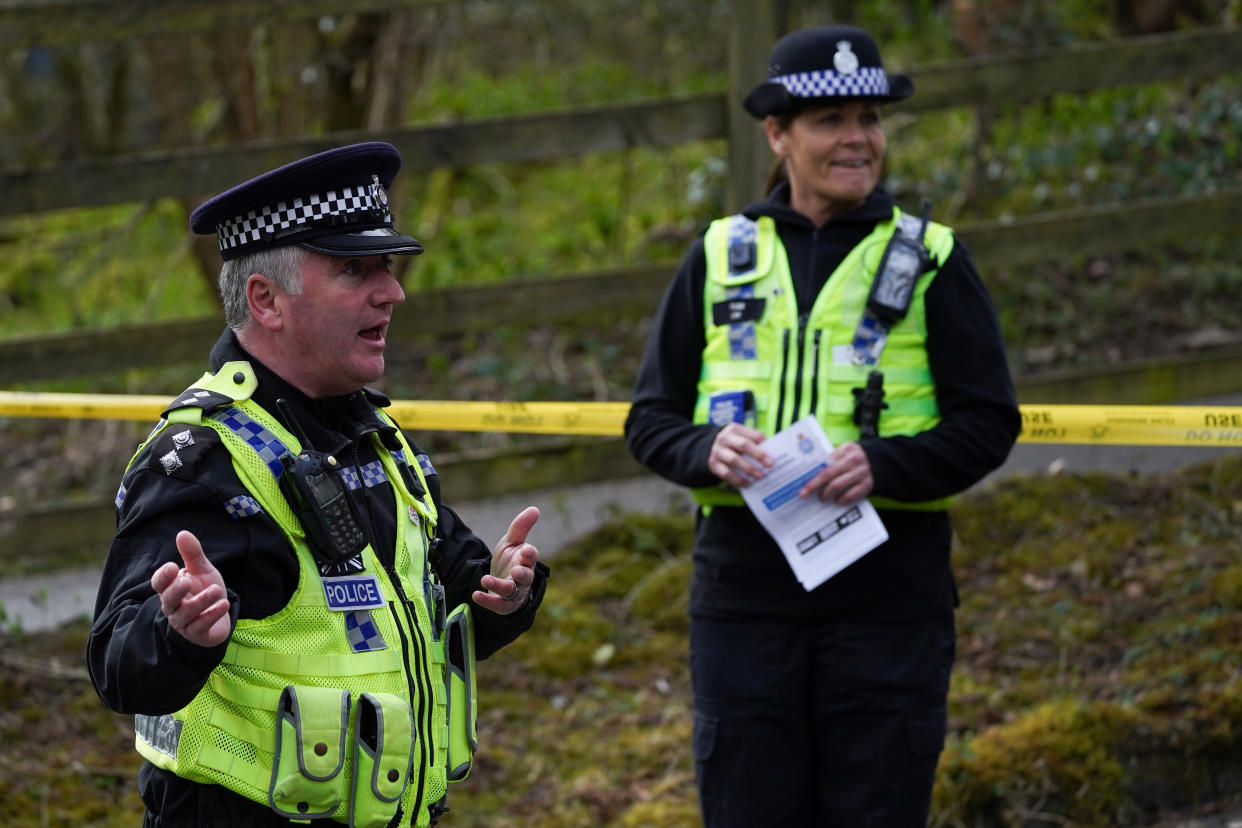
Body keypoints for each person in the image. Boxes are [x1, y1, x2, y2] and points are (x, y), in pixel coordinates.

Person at [86, 141, 550, 828]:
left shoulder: (377, 439)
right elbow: (119, 662)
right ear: (266, 300)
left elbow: (442, 607)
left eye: (388, 268)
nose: (391, 291)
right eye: (355, 270)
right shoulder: (205, 458)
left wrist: (505, 593)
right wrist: (179, 630)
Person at [624, 25, 1020, 828]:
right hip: (743, 602)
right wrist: (705, 448)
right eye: (831, 120)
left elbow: (989, 421)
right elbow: (650, 418)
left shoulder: (932, 258)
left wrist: (885, 464)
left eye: (870, 118)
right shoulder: (720, 253)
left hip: (890, 600)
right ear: (778, 134)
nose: (858, 139)